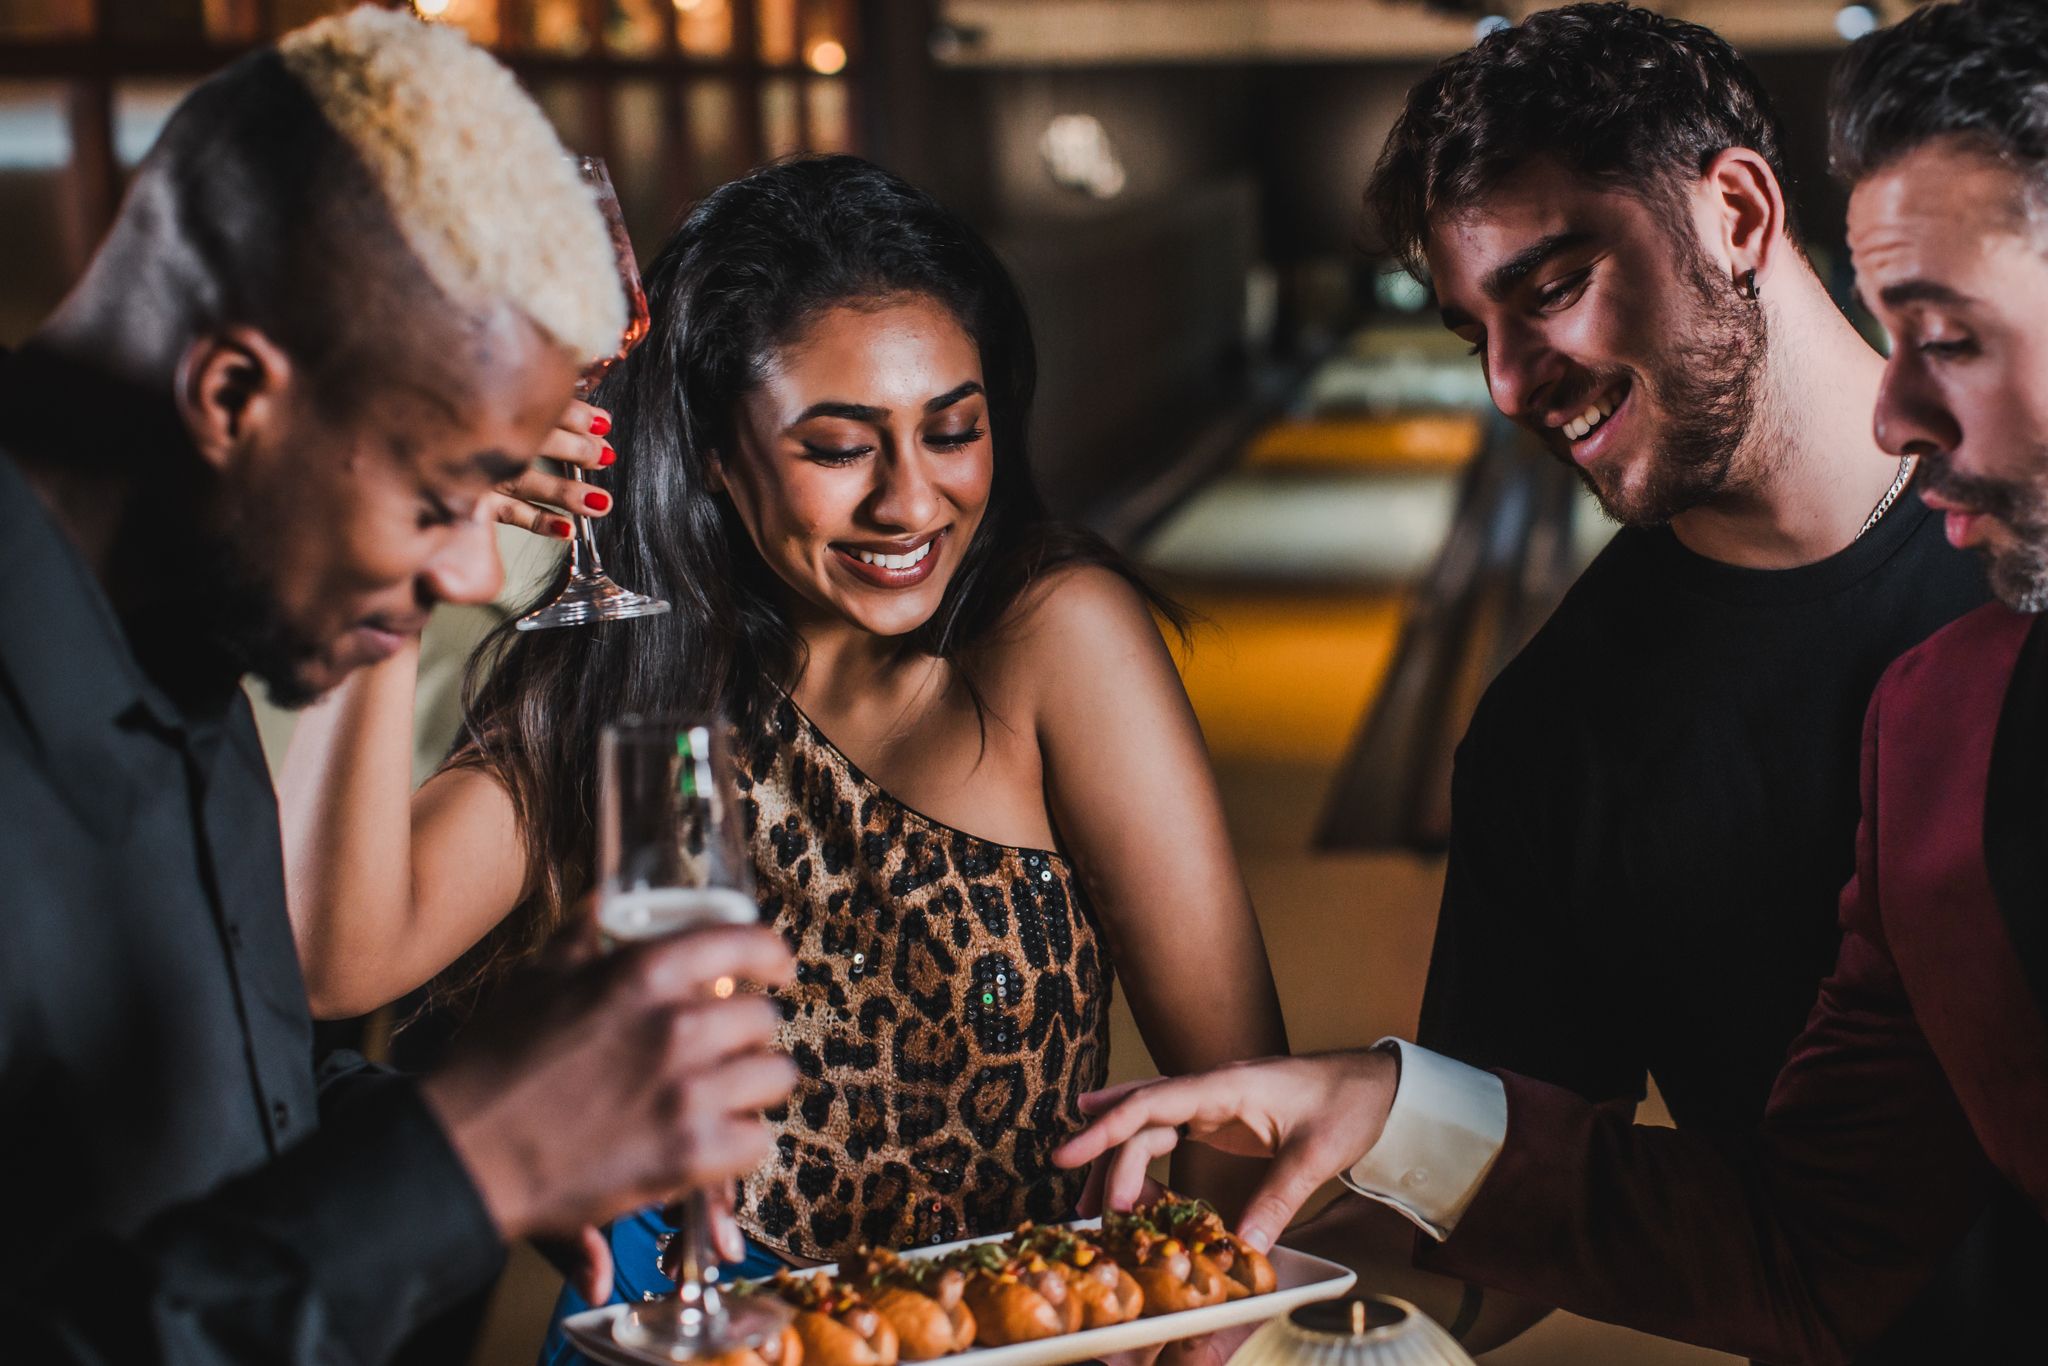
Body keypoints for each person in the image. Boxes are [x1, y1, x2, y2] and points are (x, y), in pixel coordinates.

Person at [1054, 3, 2048, 1362]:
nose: (1512, 385)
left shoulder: (2008, 598)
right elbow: (1763, 1234)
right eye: (1476, 333)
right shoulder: (1600, 731)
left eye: (1550, 287)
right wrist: (1290, 1318)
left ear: (1740, 214)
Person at [275, 154, 1289, 1345]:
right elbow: (337, 961)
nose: (911, 503)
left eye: (951, 431)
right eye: (837, 447)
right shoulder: (632, 668)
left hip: (996, 1335)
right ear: (713, 450)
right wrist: (403, 532)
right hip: (689, 1332)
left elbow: (1236, 1108)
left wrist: (1177, 1334)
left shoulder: (1054, 637)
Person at [0, 9, 796, 1364]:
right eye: (442, 499)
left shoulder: (184, 618)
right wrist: (460, 1164)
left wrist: (489, 1131)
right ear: (236, 392)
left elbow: (230, 1100)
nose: (481, 568)